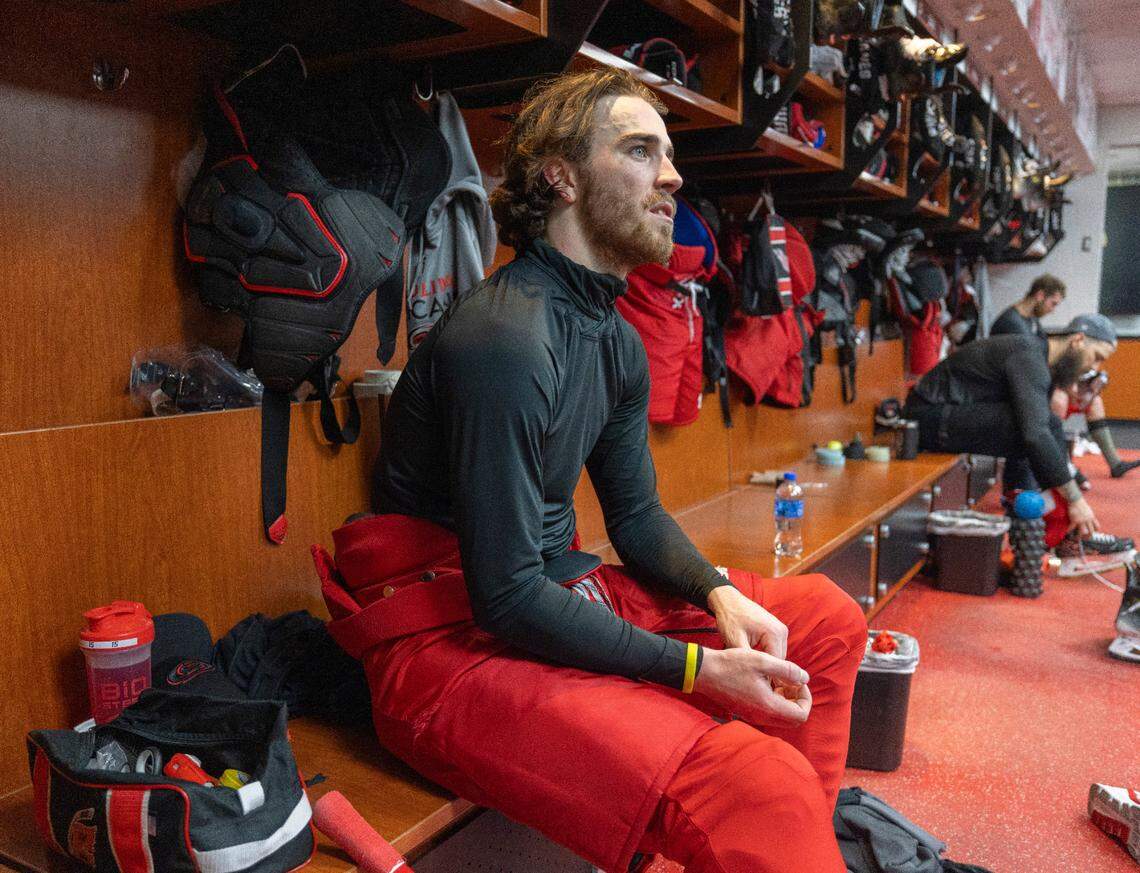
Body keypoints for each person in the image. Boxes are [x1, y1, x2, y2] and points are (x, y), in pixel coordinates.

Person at [323, 69, 867, 872]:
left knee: (823, 619)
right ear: (562, 177)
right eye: (642, 151)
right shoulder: (505, 338)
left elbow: (637, 518)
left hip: (552, 594)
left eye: (670, 155)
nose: (674, 176)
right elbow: (504, 594)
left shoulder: (612, 337)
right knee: (759, 783)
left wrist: (716, 598)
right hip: (448, 648)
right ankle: (769, 823)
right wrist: (697, 666)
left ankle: (793, 850)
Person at [903, 314, 1132, 555]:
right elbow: (1034, 434)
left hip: (944, 416)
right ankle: (1060, 530)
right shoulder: (1028, 356)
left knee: (1044, 424)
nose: (1093, 368)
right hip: (926, 418)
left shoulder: (1037, 357)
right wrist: (1075, 499)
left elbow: (1041, 429)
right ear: (1078, 340)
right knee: (1029, 429)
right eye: (1096, 358)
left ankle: (1045, 530)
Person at [989, 273, 1066, 337]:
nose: (1052, 311)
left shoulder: (1031, 318)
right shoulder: (1012, 324)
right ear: (1040, 296)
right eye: (1053, 304)